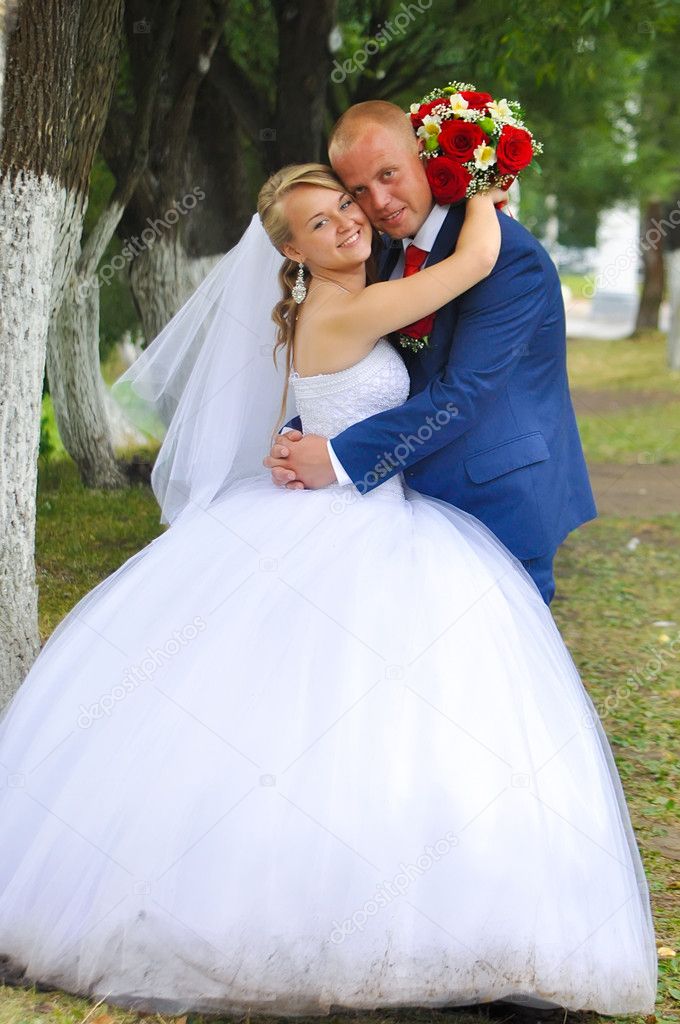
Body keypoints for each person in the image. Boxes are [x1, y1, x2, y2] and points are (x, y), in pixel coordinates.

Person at [0, 163, 656, 1018]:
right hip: (352, 518)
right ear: (292, 255)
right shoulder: (343, 305)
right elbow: (468, 269)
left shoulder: (350, 291)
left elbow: (349, 392)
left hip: (355, 503)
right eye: (318, 223)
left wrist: (307, 433)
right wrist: (486, 192)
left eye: (345, 205)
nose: (346, 223)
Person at [265, 102, 597, 606]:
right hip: (412, 498)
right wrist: (307, 430)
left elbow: (463, 394)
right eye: (357, 191)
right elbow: (366, 368)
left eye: (389, 174)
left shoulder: (507, 256)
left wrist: (334, 457)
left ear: (422, 153)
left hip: (497, 493)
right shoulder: (386, 251)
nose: (378, 201)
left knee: (499, 668)